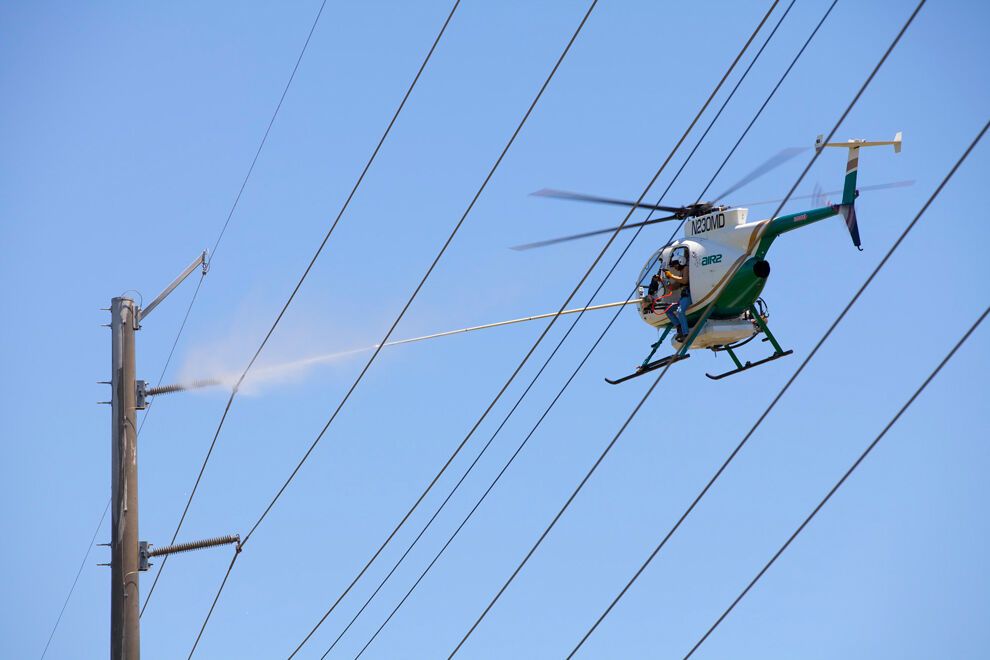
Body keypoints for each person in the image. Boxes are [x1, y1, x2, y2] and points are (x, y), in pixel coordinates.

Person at [663, 253, 691, 341]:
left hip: (688, 295)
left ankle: (686, 333)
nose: (675, 267)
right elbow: (675, 286)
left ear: (680, 262)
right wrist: (666, 282)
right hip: (683, 297)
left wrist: (671, 276)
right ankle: (679, 328)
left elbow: (685, 280)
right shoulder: (681, 272)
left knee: (680, 311)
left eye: (675, 265)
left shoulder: (686, 268)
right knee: (668, 310)